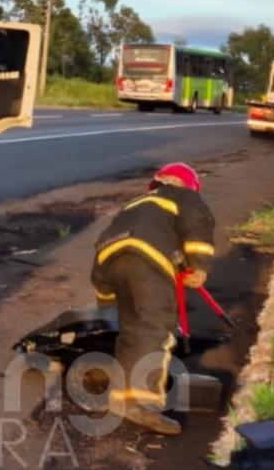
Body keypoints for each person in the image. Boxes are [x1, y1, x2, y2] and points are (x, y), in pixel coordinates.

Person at [89, 162, 216, 435]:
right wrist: (199, 266)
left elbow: (105, 245)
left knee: (132, 329)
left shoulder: (135, 205)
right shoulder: (184, 197)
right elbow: (197, 227)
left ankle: (122, 396)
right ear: (190, 187)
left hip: (109, 258)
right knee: (156, 326)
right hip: (147, 260)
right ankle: (143, 402)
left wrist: (106, 297)